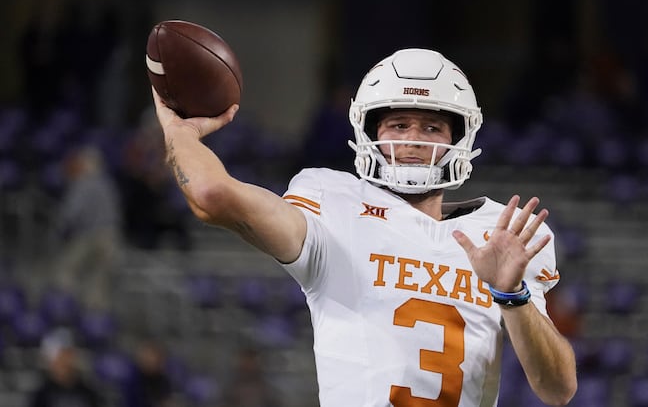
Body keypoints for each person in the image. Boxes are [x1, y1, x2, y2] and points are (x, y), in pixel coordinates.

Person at [152, 48, 577, 406]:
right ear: (370, 132)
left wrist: (512, 296)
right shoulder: (333, 203)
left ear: (458, 139)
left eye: (432, 126)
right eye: (398, 125)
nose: (413, 140)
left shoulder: (502, 233)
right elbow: (211, 196)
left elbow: (558, 389)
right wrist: (179, 132)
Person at [53, 145, 122, 311]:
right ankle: (95, 317)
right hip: (110, 236)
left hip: (87, 235)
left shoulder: (82, 183)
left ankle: (66, 308)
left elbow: (72, 213)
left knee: (65, 271)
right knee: (99, 280)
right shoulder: (108, 184)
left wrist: (60, 231)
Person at [28, 328, 104, 407]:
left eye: (68, 354)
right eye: (60, 356)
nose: (65, 361)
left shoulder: (88, 393)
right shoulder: (42, 395)